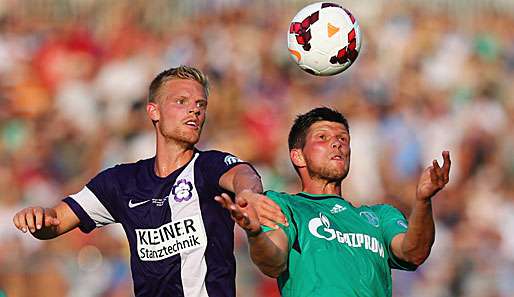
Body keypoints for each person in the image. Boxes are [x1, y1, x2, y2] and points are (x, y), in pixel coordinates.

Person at [12, 65, 285, 297]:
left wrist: (249, 195)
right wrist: (39, 217)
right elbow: (56, 221)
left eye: (200, 105)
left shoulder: (208, 167)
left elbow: (242, 174)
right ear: (153, 111)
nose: (194, 111)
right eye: (181, 102)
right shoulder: (121, 181)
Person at [216, 107, 451, 297]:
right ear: (298, 155)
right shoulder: (283, 205)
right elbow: (273, 261)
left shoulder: (381, 216)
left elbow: (414, 253)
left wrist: (423, 200)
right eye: (323, 137)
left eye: (343, 138)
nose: (337, 143)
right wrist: (255, 233)